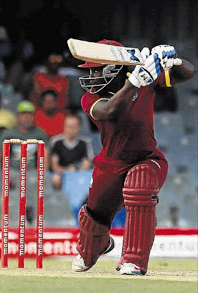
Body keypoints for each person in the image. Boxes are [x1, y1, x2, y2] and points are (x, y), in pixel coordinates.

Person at [70, 39, 195, 275]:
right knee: (93, 216)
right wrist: (135, 82)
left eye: (96, 69)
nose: (91, 76)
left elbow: (188, 72)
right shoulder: (90, 98)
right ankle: (98, 245)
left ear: (115, 67)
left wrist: (172, 60)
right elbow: (110, 110)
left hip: (147, 157)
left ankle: (133, 259)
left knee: (140, 184)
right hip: (110, 163)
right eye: (89, 70)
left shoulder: (145, 77)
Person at [0, 100, 49, 224]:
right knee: (11, 188)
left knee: (37, 183)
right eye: (24, 114)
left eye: (30, 114)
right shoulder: (8, 133)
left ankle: (33, 218)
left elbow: (46, 153)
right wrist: (1, 174)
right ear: (18, 116)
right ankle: (13, 221)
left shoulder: (39, 133)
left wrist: (44, 173)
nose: (27, 117)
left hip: (32, 170)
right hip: (13, 170)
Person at [49, 114, 93, 190]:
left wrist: (75, 170)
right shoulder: (56, 142)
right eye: (69, 127)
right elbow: (54, 166)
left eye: (74, 127)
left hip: (79, 173)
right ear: (64, 127)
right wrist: (67, 171)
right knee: (55, 178)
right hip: (60, 174)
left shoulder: (85, 142)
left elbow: (87, 164)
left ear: (79, 127)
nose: (71, 130)